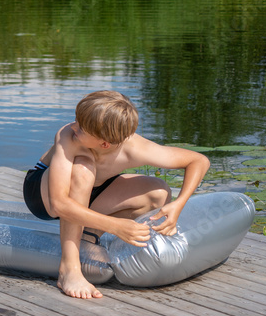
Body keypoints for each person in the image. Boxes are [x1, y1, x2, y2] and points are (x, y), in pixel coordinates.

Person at [22, 90, 210, 299]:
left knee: (158, 192)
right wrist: (115, 226)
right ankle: (69, 270)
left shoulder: (136, 148)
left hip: (94, 191)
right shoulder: (69, 136)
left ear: (104, 143)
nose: (73, 126)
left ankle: (89, 234)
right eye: (77, 119)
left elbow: (198, 161)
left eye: (81, 127)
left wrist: (179, 204)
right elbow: (59, 204)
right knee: (84, 169)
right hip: (42, 195)